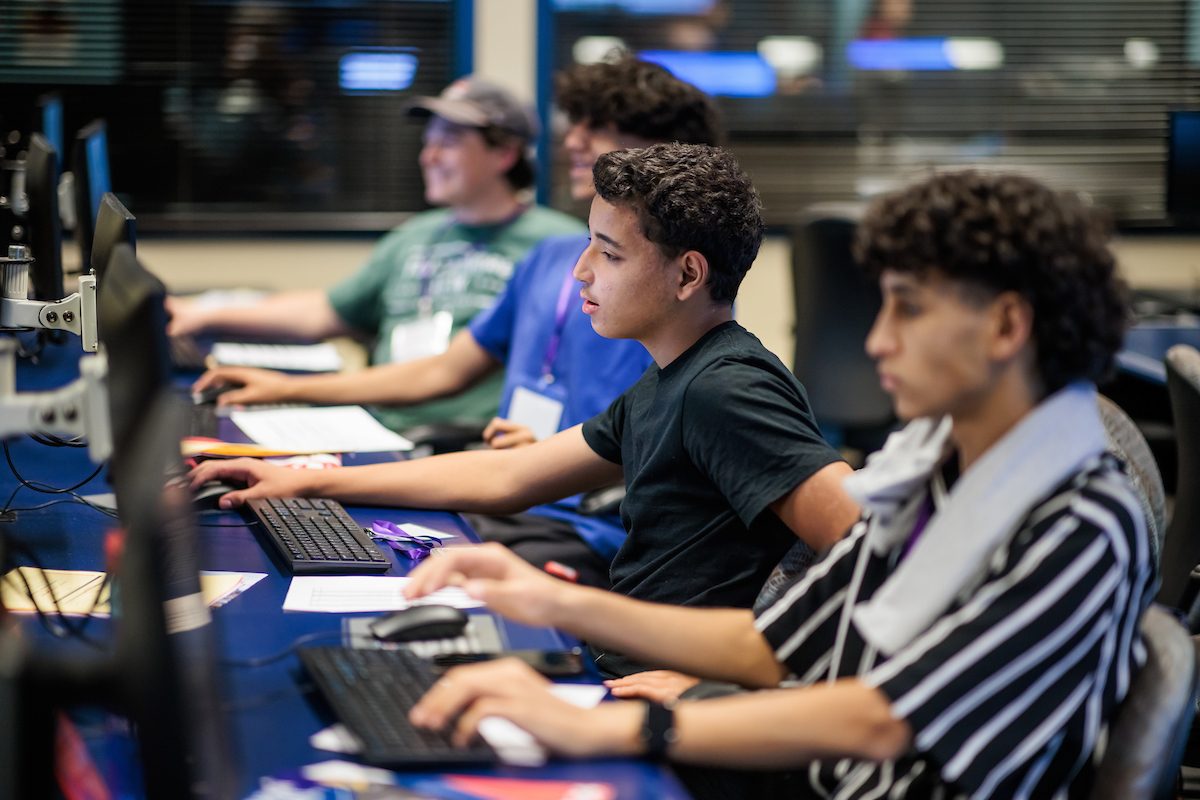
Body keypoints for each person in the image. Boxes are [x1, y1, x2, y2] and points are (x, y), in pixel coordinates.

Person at [399, 170, 1154, 800]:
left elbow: (882, 721)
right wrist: (551, 601)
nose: (877, 339)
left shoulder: (1083, 521)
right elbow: (779, 645)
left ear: (1006, 327)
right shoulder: (935, 463)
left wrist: (624, 726)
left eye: (909, 308)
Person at [189, 143, 858, 674]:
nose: (581, 271)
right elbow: (508, 477)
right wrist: (307, 480)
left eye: (610, 252)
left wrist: (728, 684)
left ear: (687, 275)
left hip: (669, 699)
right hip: (621, 662)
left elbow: (871, 554)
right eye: (588, 243)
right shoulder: (672, 377)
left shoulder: (728, 389)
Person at [189, 58, 724, 587]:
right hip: (516, 493)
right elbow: (445, 372)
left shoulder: (667, 287)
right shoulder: (550, 257)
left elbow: (665, 446)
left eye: (599, 128)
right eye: (575, 125)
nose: (574, 142)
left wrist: (555, 453)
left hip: (583, 520)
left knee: (414, 584)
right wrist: (292, 400)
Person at [166, 76, 583, 432]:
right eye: (428, 141)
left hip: (461, 442)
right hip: (375, 425)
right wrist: (204, 312)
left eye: (449, 142)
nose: (428, 156)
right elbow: (324, 311)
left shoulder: (556, 247)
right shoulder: (414, 236)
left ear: (504, 153)